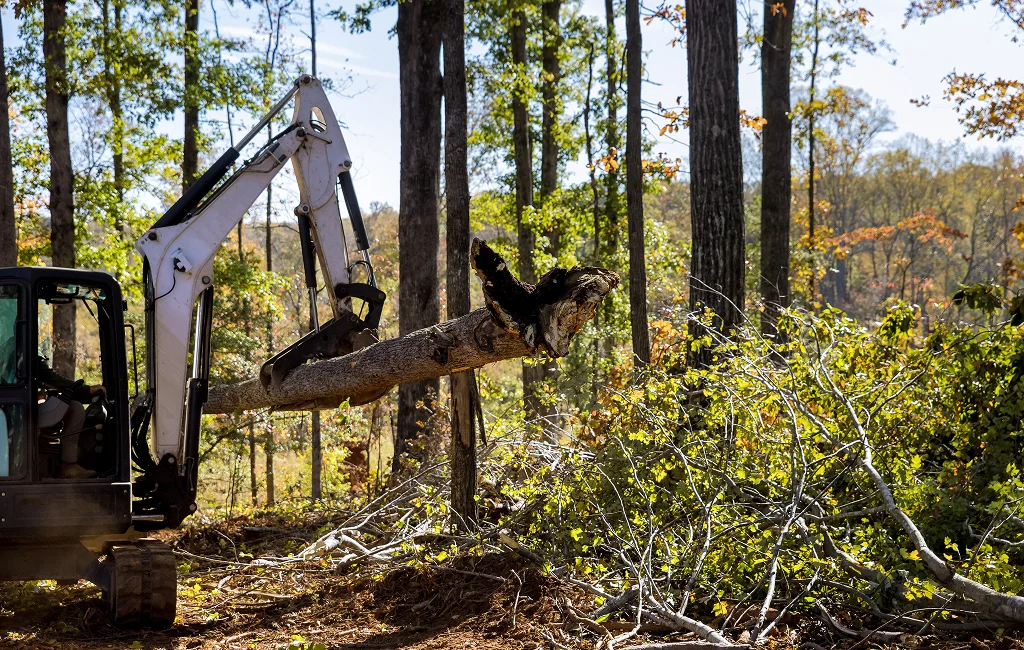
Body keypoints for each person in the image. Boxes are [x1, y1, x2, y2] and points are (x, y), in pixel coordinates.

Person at [34, 355, 105, 479]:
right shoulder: (20, 350)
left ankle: (68, 464)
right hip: (20, 409)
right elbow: (51, 378)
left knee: (74, 408)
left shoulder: (15, 346)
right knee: (75, 409)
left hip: (26, 405)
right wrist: (87, 390)